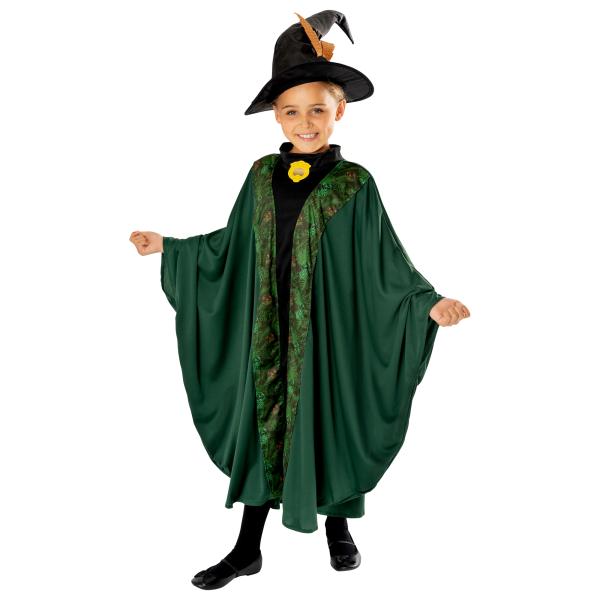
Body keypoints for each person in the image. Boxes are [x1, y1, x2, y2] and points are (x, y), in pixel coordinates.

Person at [129, 9, 470, 590]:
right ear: (276, 116)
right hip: (265, 329)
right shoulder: (261, 174)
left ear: (340, 111)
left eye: (317, 109)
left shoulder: (355, 184)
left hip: (328, 331)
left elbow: (385, 259)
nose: (305, 122)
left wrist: (426, 303)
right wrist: (172, 247)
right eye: (291, 111)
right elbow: (234, 243)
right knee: (262, 426)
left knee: (329, 417)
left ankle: (339, 528)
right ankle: (247, 549)